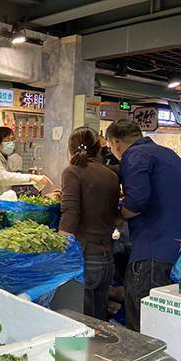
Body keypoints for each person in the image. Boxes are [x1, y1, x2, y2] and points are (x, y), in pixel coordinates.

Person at [106, 119, 181, 332]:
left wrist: (117, 217)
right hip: (176, 252)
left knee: (143, 327)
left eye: (110, 147)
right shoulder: (167, 154)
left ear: (116, 143)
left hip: (152, 253)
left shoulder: (135, 155)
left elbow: (136, 202)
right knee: (163, 325)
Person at [59, 127, 120, 321]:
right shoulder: (110, 175)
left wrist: (60, 249)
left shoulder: (73, 172)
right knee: (99, 318)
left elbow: (71, 213)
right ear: (99, 148)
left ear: (70, 149)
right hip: (106, 257)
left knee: (82, 321)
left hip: (84, 256)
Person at [0, 127, 52, 200]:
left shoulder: (1, 157)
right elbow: (1, 177)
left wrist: (32, 179)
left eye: (12, 140)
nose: (11, 143)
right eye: (8, 140)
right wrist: (31, 177)